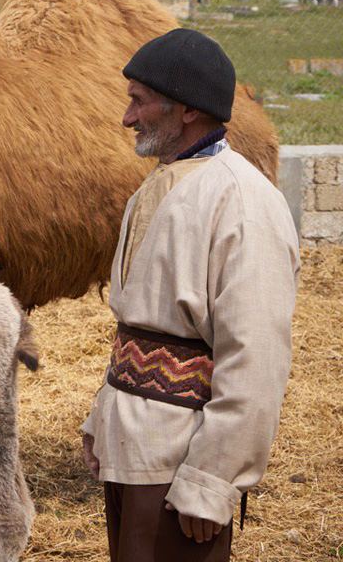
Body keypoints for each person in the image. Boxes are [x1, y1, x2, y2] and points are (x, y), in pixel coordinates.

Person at [81, 28, 299, 562]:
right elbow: (138, 327)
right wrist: (100, 418)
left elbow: (256, 358)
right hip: (131, 449)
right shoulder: (158, 186)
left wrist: (212, 479)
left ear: (187, 111)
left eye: (139, 102)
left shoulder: (244, 202)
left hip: (182, 459)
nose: (127, 118)